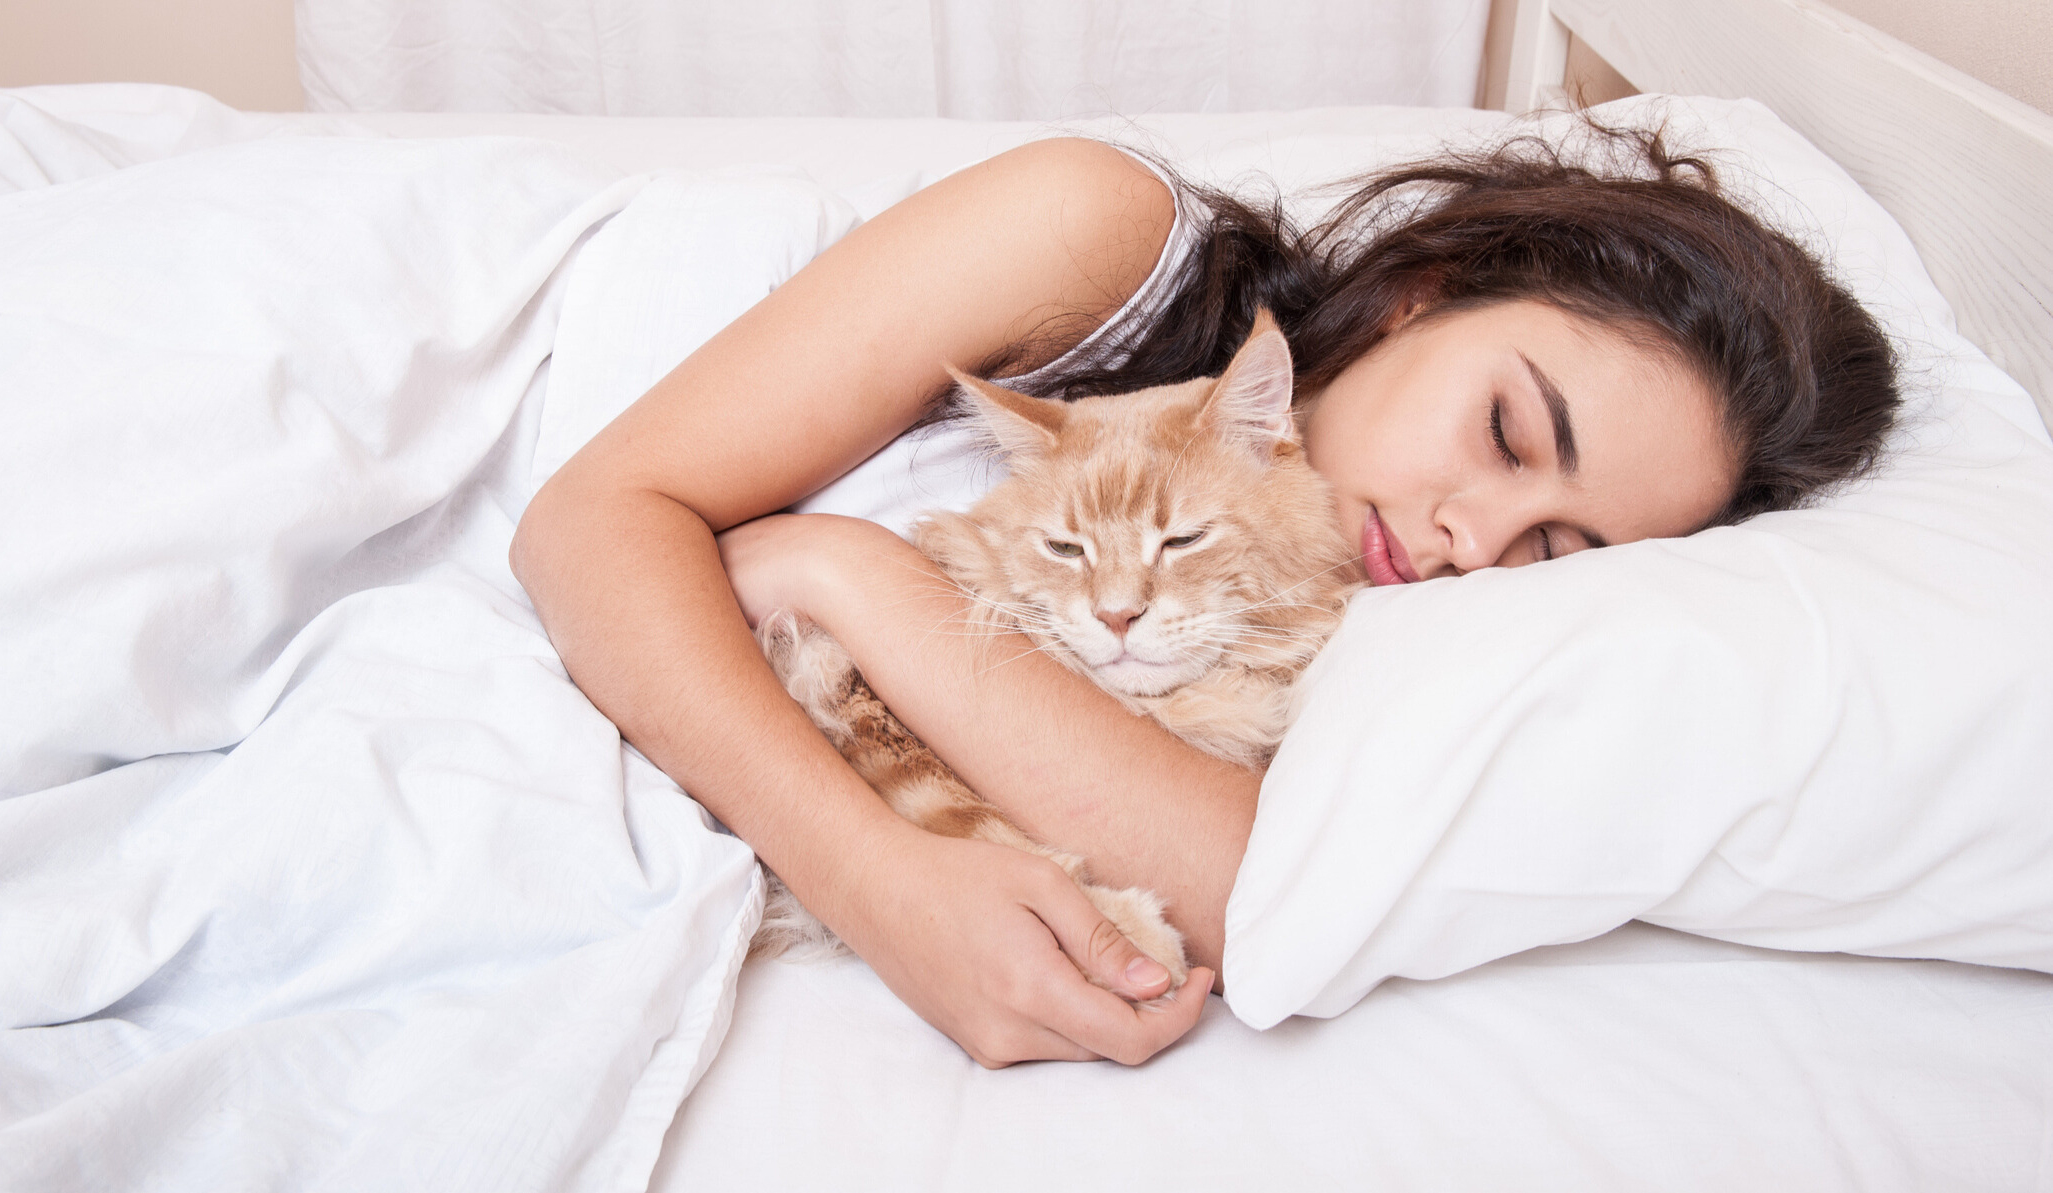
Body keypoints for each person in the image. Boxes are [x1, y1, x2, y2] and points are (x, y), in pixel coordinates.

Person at [509, 124, 1899, 1068]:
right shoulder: (1095, 237)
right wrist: (872, 877)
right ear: (1417, 297)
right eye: (1503, 431)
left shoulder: (1391, 624)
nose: (1474, 539)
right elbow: (587, 518)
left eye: (1560, 545)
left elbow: (1240, 882)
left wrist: (838, 570)